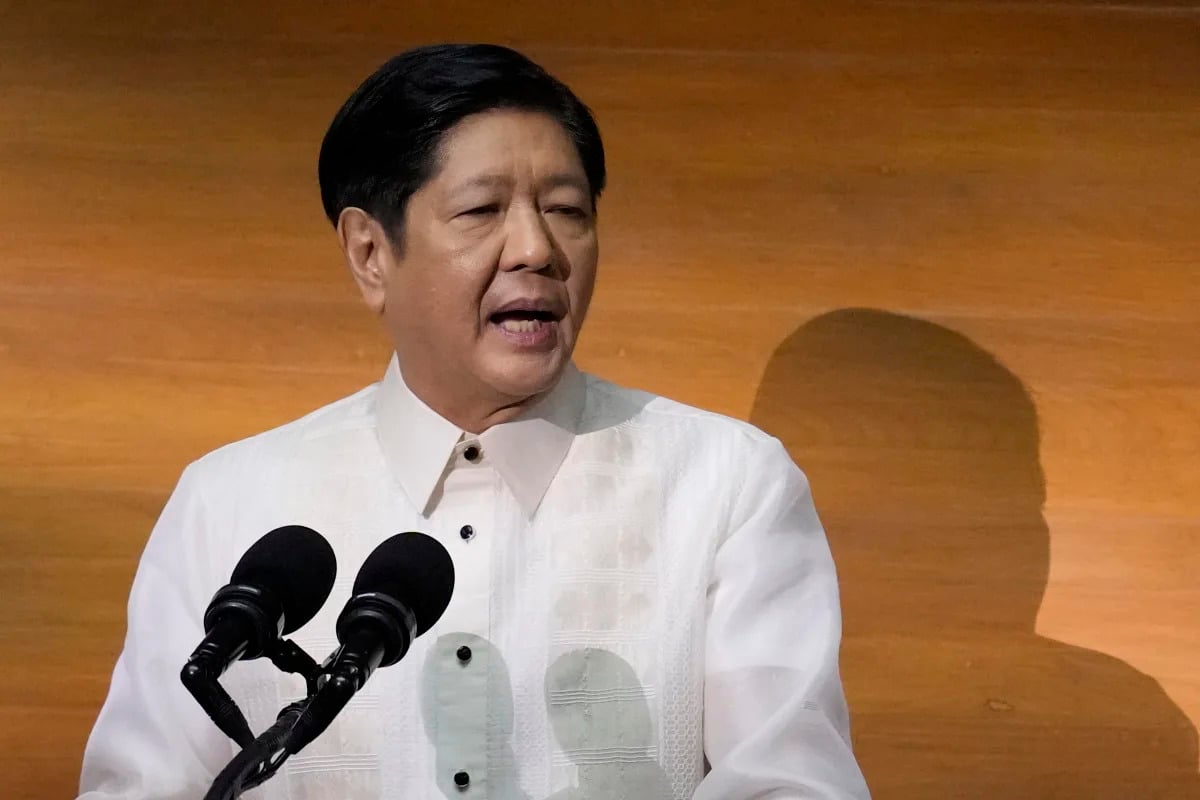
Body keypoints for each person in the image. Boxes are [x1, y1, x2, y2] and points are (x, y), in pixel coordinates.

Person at [78, 43, 870, 799]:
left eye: (567, 209)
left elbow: (791, 785)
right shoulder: (227, 502)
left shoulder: (726, 485)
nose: (537, 249)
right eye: (482, 210)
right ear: (370, 254)